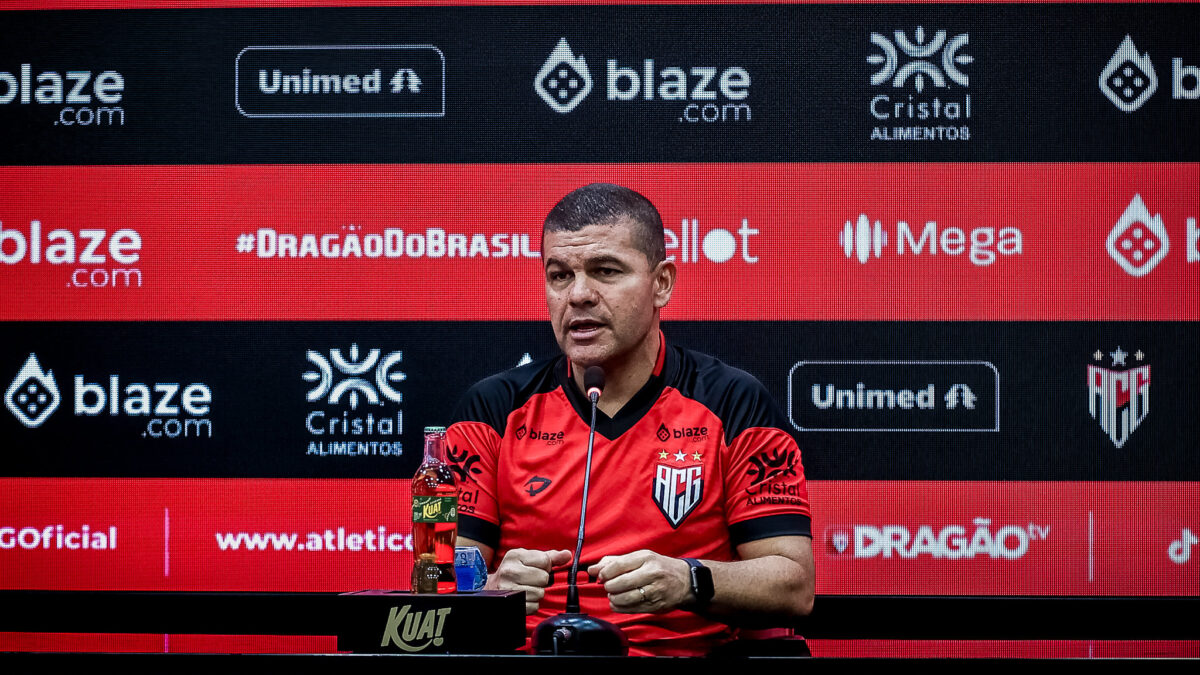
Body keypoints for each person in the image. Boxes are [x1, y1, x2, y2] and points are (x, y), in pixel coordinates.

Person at [445, 183, 813, 656]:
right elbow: (437, 579)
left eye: (605, 271)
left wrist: (689, 579)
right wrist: (491, 588)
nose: (578, 295)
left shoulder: (733, 402)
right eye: (559, 275)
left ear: (662, 283)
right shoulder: (492, 409)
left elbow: (794, 584)